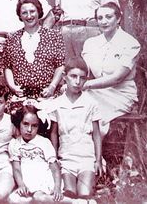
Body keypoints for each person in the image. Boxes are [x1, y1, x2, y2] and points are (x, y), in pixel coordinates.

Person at [81, 2, 141, 137]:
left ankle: (94, 154)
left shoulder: (129, 43)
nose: (104, 21)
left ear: (118, 18)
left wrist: (85, 85)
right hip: (95, 92)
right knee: (75, 105)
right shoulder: (90, 44)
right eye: (100, 18)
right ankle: (80, 153)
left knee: (89, 111)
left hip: (120, 95)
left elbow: (117, 78)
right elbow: (85, 72)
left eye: (108, 17)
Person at [49, 57, 103, 199]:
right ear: (64, 77)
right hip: (66, 158)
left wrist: (97, 160)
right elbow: (54, 134)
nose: (77, 82)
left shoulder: (91, 103)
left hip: (86, 158)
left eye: (82, 78)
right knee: (69, 193)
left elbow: (97, 134)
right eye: (73, 76)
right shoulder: (56, 104)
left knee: (84, 193)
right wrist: (54, 158)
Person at [3, 0, 65, 108]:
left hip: (46, 95)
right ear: (20, 16)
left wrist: (52, 87)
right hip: (20, 96)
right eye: (24, 13)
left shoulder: (54, 36)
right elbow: (8, 67)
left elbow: (60, 65)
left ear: (39, 12)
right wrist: (13, 87)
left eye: (32, 11)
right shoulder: (12, 37)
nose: (29, 16)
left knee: (49, 117)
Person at [8, 105, 68, 204]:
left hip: (43, 179)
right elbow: (16, 169)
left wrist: (57, 188)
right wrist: (21, 185)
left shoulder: (44, 142)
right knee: (13, 199)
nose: (29, 129)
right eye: (25, 124)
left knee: (38, 197)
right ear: (19, 123)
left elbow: (54, 168)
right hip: (27, 180)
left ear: (38, 126)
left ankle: (75, 202)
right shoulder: (14, 144)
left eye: (34, 125)